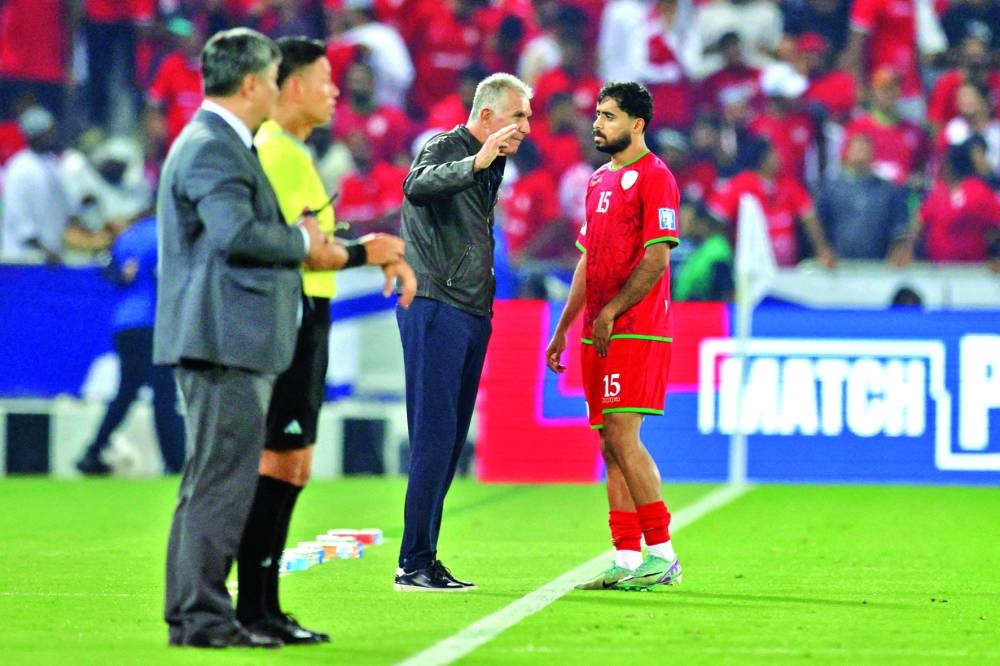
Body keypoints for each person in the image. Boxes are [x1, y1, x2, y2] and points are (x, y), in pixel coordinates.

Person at [155, 27, 371, 649]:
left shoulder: (220, 143)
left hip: (228, 336)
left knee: (212, 482)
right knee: (221, 485)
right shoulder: (213, 148)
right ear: (251, 83)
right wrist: (303, 240)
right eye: (274, 79)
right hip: (223, 339)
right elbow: (237, 236)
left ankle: (195, 614)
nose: (279, 91)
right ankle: (202, 619)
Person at [235, 35, 415, 645]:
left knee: (295, 462)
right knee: (277, 459)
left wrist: (366, 251)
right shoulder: (278, 153)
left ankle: (267, 605)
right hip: (287, 313)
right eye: (324, 79)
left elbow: (316, 243)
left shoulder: (300, 155)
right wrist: (373, 250)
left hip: (310, 314)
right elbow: (308, 248)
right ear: (291, 87)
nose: (335, 90)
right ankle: (251, 607)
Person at [394, 72, 532, 591]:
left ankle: (425, 556)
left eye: (529, 118)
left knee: (449, 441)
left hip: (470, 309)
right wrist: (475, 161)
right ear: (488, 114)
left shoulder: (492, 166)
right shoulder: (447, 146)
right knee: (433, 436)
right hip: (435, 303)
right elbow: (416, 186)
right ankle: (413, 561)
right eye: (518, 116)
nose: (525, 127)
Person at [545, 81, 682, 591]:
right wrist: (564, 329)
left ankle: (663, 553)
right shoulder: (598, 181)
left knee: (625, 437)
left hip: (637, 329)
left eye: (608, 116)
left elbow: (657, 257)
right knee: (608, 444)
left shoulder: (656, 178)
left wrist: (613, 311)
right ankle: (626, 557)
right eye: (598, 114)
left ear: (637, 124)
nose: (597, 124)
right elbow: (588, 260)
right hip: (595, 330)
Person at [75, 216, 186, 476]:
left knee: (127, 391)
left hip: (125, 323)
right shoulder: (167, 230)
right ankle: (176, 461)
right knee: (165, 392)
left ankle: (93, 453)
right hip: (153, 322)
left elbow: (111, 270)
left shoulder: (130, 235)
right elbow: (166, 277)